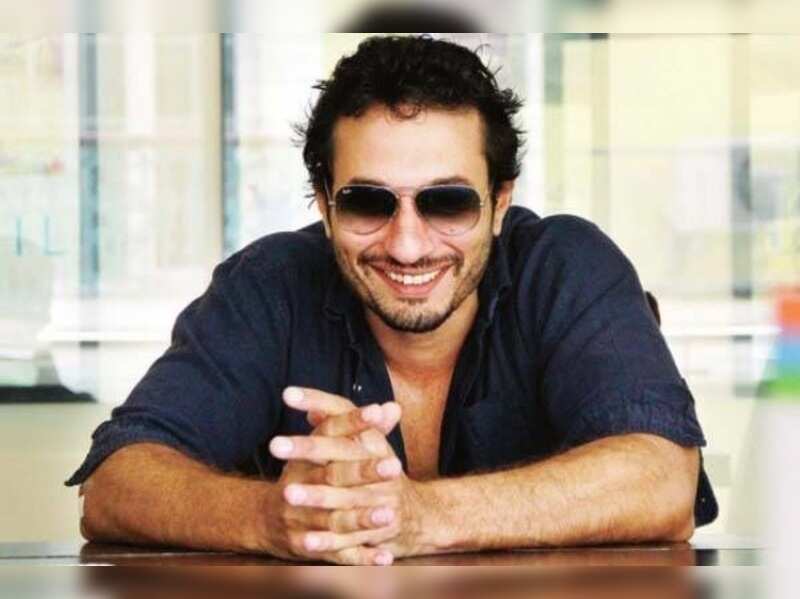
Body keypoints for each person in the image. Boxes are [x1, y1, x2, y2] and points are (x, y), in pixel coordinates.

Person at [67, 35, 717, 566]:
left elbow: (662, 481)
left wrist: (418, 515)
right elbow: (116, 483)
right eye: (367, 203)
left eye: (448, 202)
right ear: (325, 204)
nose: (407, 245)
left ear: (500, 202)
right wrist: (269, 517)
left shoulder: (567, 267)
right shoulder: (268, 285)